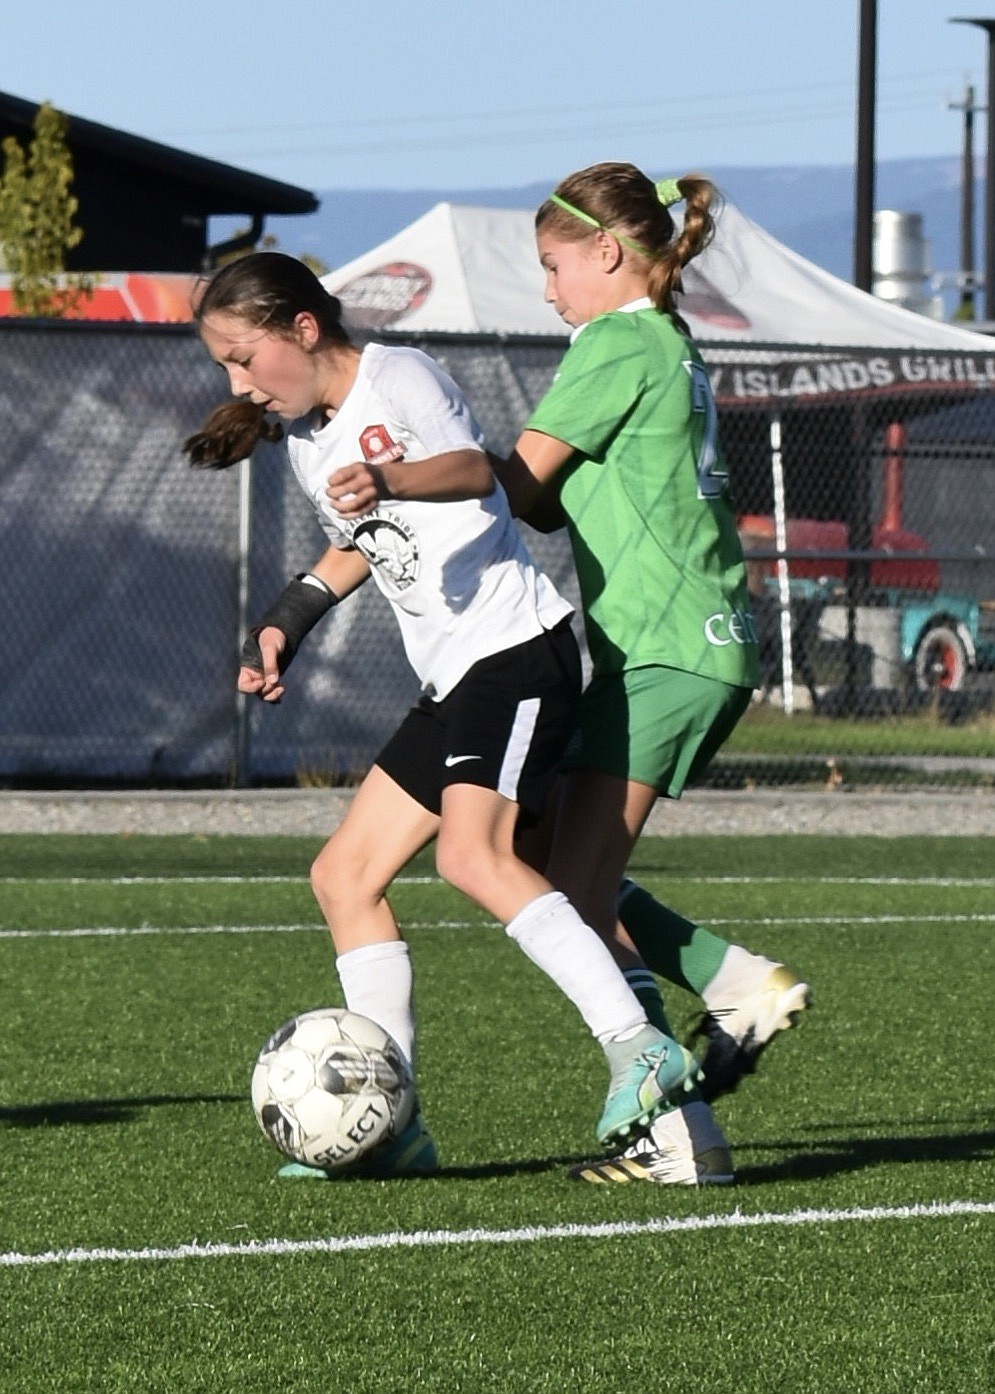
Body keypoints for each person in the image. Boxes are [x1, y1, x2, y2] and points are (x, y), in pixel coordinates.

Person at [329, 164, 810, 1186]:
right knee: (547, 851)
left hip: (663, 648)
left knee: (569, 893)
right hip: (692, 642)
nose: (547, 291)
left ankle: (675, 1135)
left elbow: (510, 476)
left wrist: (400, 475)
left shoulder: (612, 340)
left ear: (606, 253)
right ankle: (733, 982)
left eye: (553, 267)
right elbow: (553, 500)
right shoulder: (668, 342)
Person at [183, 251, 701, 1179]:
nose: (237, 383)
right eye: (223, 365)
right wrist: (284, 623)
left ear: (304, 328)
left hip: (516, 654)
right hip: (457, 678)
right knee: (344, 875)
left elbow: (478, 471)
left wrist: (390, 480)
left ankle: (639, 1046)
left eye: (242, 356)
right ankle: (390, 1122)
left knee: (474, 856)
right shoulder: (306, 438)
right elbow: (358, 549)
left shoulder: (401, 374)